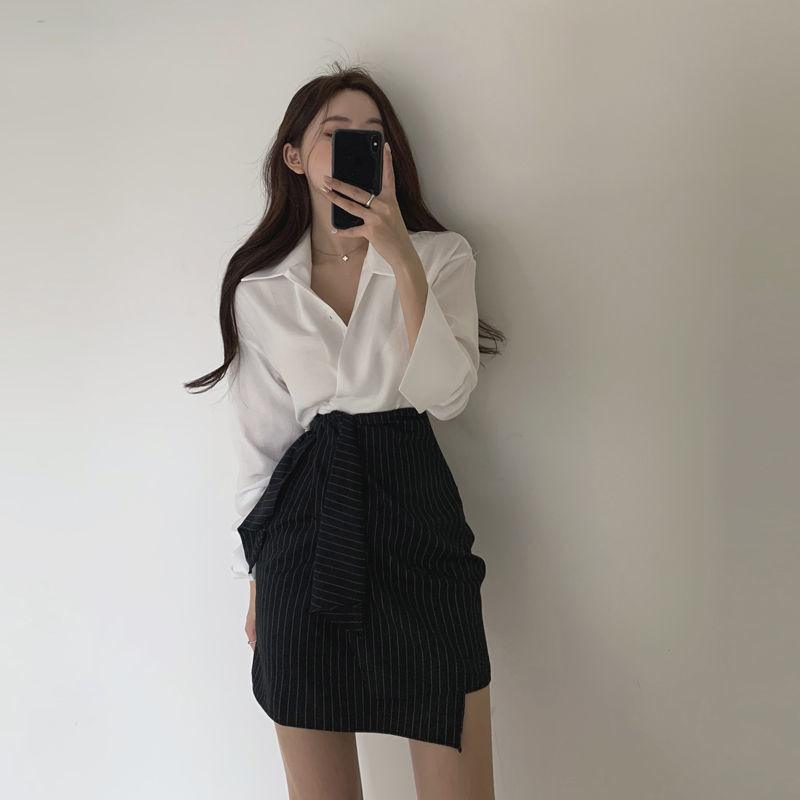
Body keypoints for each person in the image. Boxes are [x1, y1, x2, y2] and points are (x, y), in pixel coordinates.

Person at [186, 63, 505, 800]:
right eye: (335, 133)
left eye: (373, 135)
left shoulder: (441, 256)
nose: (358, 144)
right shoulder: (262, 289)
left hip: (417, 523)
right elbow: (262, 448)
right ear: (295, 156)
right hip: (303, 539)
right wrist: (258, 577)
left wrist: (401, 257)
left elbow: (447, 395)